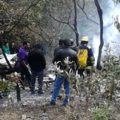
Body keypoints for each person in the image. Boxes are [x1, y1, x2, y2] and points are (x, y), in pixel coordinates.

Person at [50, 39, 77, 106]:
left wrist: (58, 67)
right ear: (70, 44)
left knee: (57, 86)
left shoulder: (59, 52)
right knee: (67, 86)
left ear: (63, 44)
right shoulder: (74, 53)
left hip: (61, 72)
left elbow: (54, 61)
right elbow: (77, 64)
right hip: (70, 73)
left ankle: (53, 100)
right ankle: (66, 102)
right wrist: (73, 71)